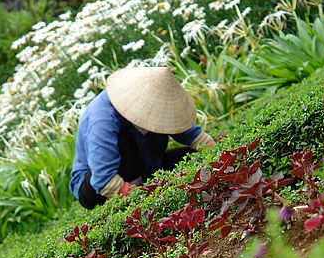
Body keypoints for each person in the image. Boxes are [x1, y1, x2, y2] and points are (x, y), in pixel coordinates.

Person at [69, 66, 215, 209]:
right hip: (96, 186)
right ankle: (138, 187)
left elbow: (194, 137)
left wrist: (215, 153)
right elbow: (103, 180)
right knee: (123, 140)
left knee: (190, 156)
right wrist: (146, 199)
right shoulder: (103, 119)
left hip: (145, 165)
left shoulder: (154, 101)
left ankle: (143, 181)